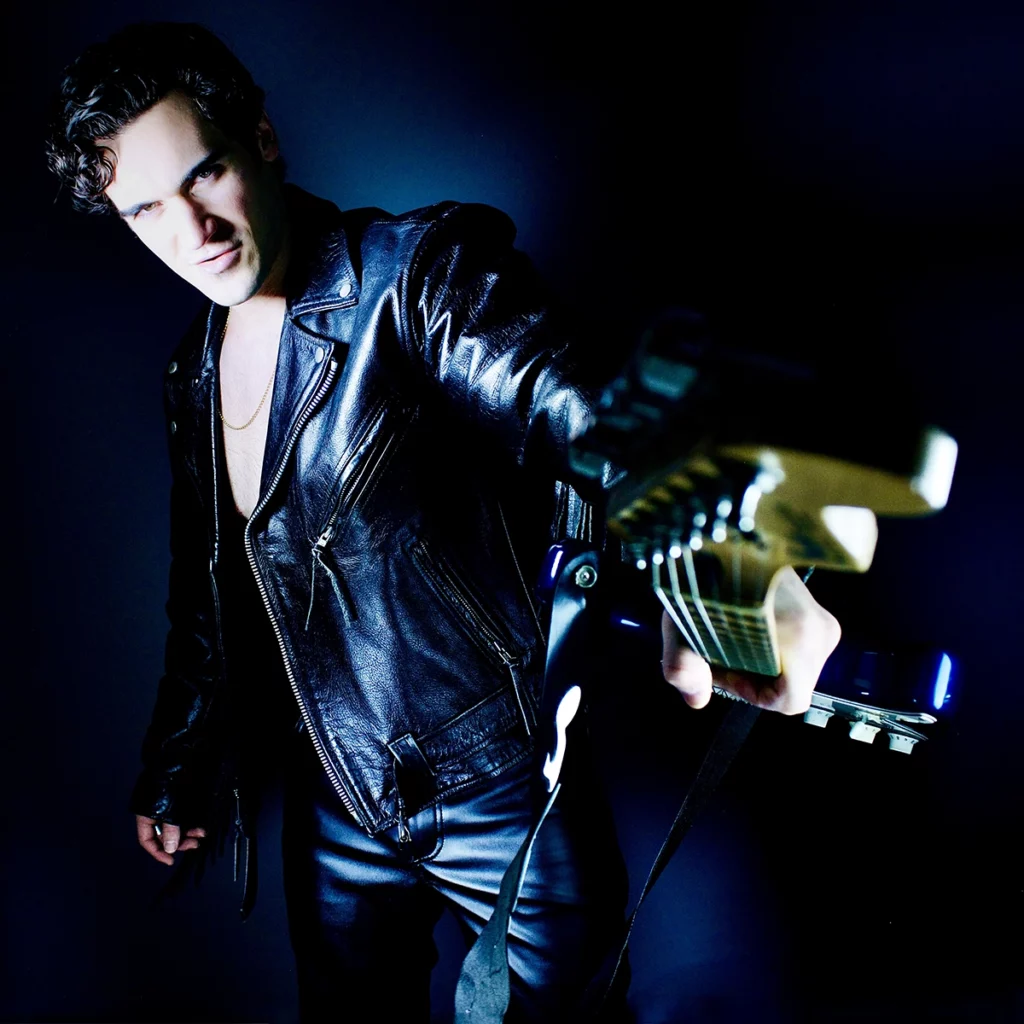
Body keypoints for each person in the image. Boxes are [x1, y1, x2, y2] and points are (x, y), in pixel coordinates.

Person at [45, 22, 841, 1022]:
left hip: (495, 785)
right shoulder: (191, 372)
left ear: (262, 137)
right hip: (337, 797)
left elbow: (583, 405)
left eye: (205, 175)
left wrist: (734, 552)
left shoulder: (414, 275)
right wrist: (178, 765)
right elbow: (210, 589)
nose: (191, 230)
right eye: (146, 208)